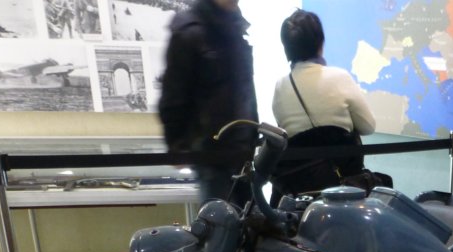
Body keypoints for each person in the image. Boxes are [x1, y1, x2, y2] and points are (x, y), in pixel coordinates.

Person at [269, 9, 379, 199]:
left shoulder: (280, 86)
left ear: (287, 48)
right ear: (320, 43)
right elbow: (368, 126)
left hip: (298, 191)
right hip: (343, 186)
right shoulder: (339, 78)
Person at [158, 0, 258, 205]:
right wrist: (177, 145)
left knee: (250, 220)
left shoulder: (235, 26)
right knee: (218, 220)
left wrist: (253, 137)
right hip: (211, 157)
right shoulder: (190, 31)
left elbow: (245, 88)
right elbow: (174, 92)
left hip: (242, 152)